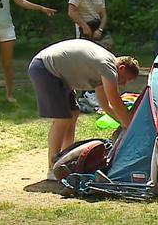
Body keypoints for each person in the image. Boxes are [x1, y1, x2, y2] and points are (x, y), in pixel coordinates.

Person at [27, 39, 140, 180]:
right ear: (121, 68)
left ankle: (64, 159)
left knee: (73, 113)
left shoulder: (103, 67)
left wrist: (124, 124)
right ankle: (52, 168)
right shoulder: (108, 66)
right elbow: (115, 101)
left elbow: (105, 104)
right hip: (45, 68)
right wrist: (132, 127)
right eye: (126, 79)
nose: (123, 84)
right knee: (62, 118)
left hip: (56, 73)